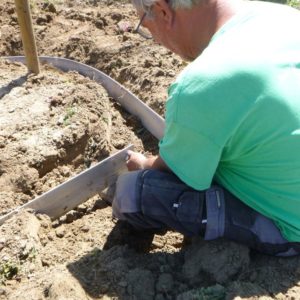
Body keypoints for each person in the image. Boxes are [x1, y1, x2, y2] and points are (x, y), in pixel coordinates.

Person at [112, 0, 300, 256]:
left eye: (145, 24)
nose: (154, 39)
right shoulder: (284, 16)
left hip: (291, 226)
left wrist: (143, 164)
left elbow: (171, 173)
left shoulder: (202, 84)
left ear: (163, 11)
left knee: (134, 191)